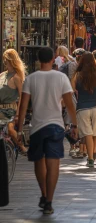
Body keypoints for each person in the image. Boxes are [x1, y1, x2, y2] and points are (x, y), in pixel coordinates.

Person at [17, 47, 78, 215]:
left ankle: (43, 194)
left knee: (39, 162)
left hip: (37, 126)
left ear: (38, 60)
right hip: (56, 126)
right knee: (53, 164)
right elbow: (69, 103)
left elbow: (23, 106)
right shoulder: (61, 78)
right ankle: (49, 201)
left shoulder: (30, 79)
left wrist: (20, 129)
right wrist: (74, 124)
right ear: (53, 59)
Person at [71, 52, 96, 167]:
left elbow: (71, 89)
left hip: (82, 108)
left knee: (87, 133)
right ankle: (94, 151)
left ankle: (90, 158)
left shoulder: (77, 75)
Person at [0, 49, 27, 153]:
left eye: (6, 59)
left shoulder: (16, 77)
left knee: (10, 130)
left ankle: (21, 146)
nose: (4, 61)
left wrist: (18, 114)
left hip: (10, 109)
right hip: (0, 108)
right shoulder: (2, 75)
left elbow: (22, 96)